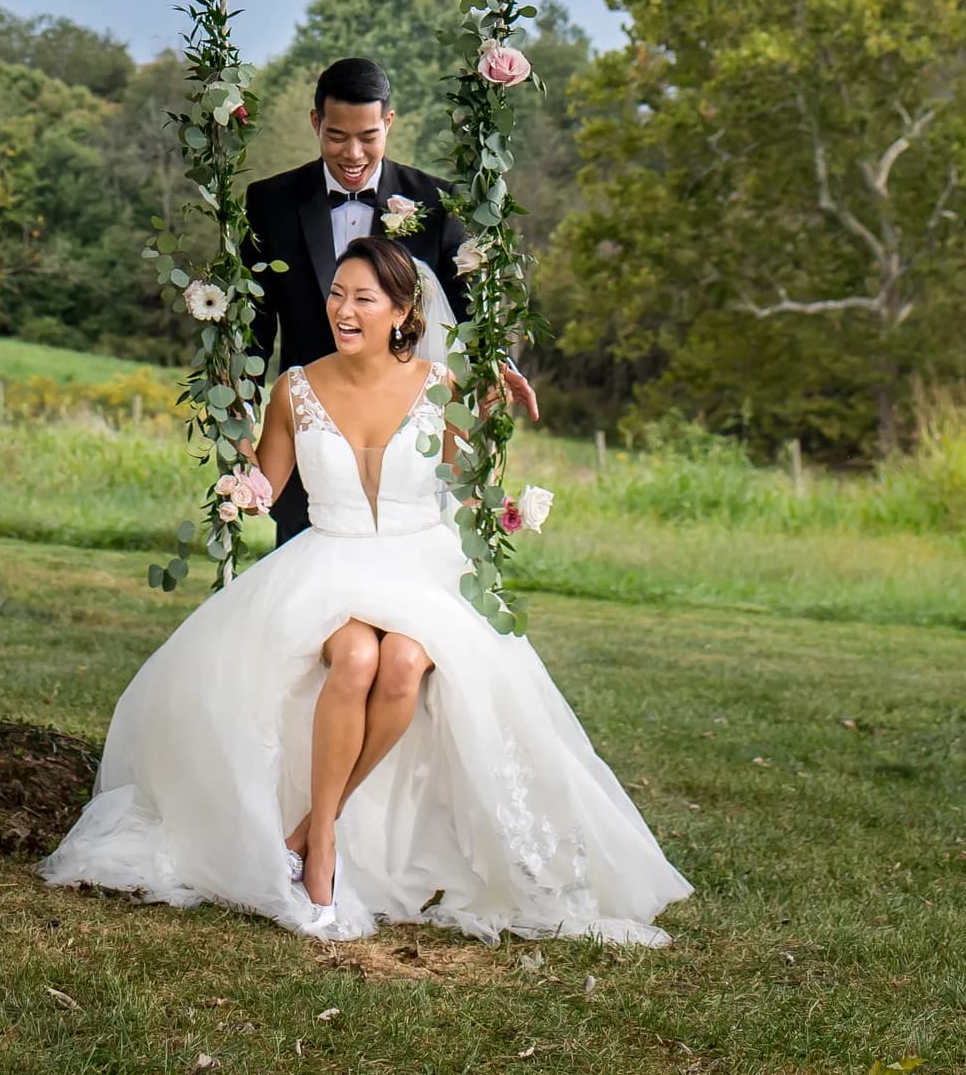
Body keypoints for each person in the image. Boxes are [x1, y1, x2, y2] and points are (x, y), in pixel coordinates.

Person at [41, 235, 689, 944]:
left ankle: (304, 832)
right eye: (337, 295)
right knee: (355, 662)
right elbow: (269, 485)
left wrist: (503, 496)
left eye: (363, 298)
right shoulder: (295, 387)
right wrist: (241, 481)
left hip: (422, 567)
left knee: (405, 663)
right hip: (330, 565)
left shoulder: (442, 389)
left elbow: (466, 495)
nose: (344, 310)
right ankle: (321, 847)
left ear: (403, 311)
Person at [243, 54, 538, 543]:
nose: (353, 153)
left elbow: (467, 308)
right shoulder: (270, 202)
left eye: (368, 136)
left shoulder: (439, 203)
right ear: (316, 122)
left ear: (389, 123)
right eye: (337, 136)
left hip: (403, 437)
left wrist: (495, 362)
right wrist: (241, 401)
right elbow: (256, 320)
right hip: (313, 441)